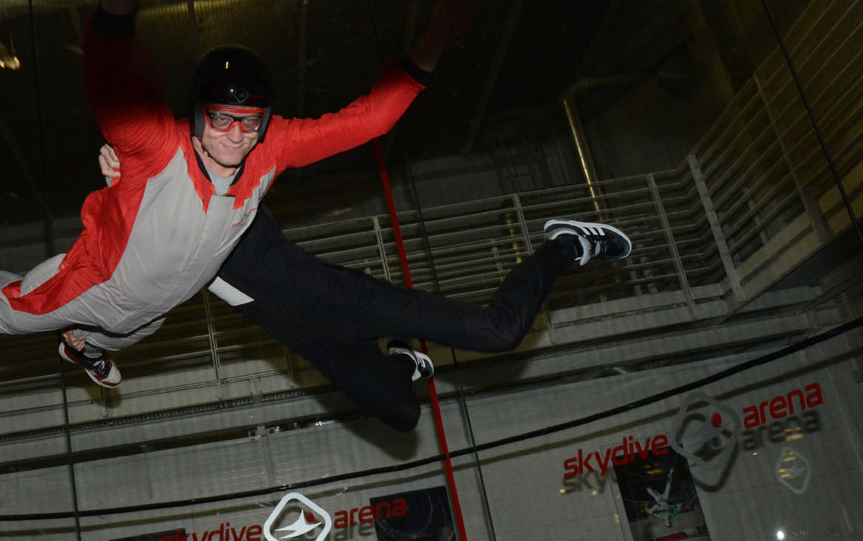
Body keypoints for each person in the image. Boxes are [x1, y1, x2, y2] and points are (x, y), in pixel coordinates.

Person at [0, 0, 483, 384]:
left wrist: (433, 42)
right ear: (196, 116)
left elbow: (368, 121)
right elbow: (104, 80)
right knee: (1, 316)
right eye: (222, 119)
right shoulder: (154, 144)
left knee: (132, 332)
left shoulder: (269, 147)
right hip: (92, 280)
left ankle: (82, 345)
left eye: (250, 121)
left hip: (161, 306)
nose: (237, 135)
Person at [98, 143, 632, 431]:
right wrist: (91, 344)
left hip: (355, 305)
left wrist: (137, 167)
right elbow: (132, 299)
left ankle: (566, 246)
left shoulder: (227, 207)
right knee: (403, 417)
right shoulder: (173, 261)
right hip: (320, 347)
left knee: (500, 334)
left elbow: (211, 157)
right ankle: (405, 363)